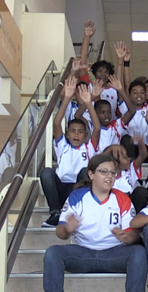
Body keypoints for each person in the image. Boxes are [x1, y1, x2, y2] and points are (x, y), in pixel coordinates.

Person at [39, 154, 148, 292]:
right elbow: (60, 233)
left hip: (114, 254)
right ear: (91, 175)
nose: (109, 176)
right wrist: (68, 229)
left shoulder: (122, 198)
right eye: (103, 172)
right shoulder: (77, 197)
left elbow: (134, 235)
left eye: (113, 173)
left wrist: (126, 237)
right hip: (83, 253)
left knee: (138, 252)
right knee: (53, 252)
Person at [41, 77, 101, 227]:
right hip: (62, 189)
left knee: (85, 171)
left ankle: (81, 212)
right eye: (72, 131)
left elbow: (97, 128)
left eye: (80, 132)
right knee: (47, 172)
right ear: (67, 134)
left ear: (86, 135)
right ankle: (56, 213)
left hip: (80, 189)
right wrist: (67, 97)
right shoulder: (63, 146)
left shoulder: (89, 148)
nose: (76, 134)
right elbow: (56, 123)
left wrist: (89, 103)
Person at [102, 143, 148, 213]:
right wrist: (111, 148)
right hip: (113, 202)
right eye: (124, 157)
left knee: (141, 191)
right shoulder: (105, 175)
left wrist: (141, 143)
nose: (129, 159)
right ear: (115, 164)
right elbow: (100, 160)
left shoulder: (130, 170)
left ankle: (137, 219)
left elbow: (143, 156)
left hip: (130, 203)